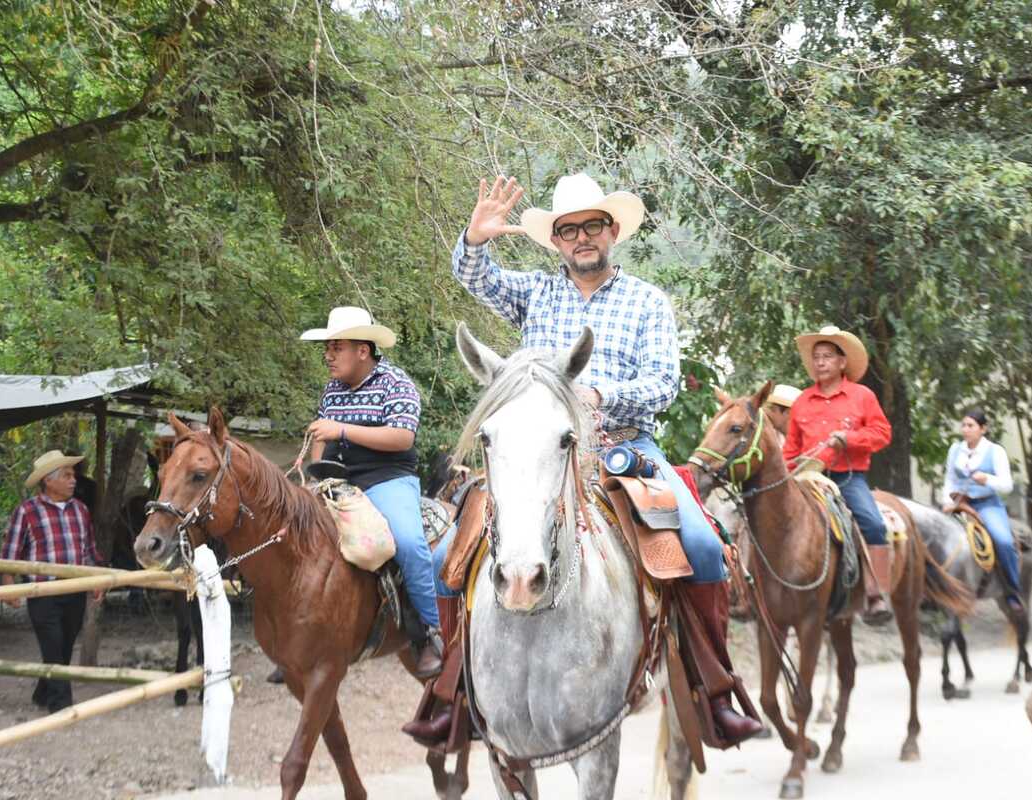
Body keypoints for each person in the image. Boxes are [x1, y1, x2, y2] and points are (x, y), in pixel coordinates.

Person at [403, 172, 763, 746]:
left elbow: (664, 383)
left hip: (625, 449)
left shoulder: (647, 301)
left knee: (699, 546)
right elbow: (476, 277)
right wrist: (474, 238)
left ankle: (713, 690)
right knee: (449, 555)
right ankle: (455, 693)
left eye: (592, 226)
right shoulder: (535, 294)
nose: (581, 238)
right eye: (568, 230)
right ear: (556, 241)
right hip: (537, 453)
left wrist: (599, 394)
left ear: (612, 231)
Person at [300, 306, 441, 678]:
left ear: (363, 350)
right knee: (294, 532)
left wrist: (342, 430)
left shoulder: (396, 383)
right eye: (327, 348)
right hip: (337, 479)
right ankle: (302, 633)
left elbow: (402, 437)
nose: (328, 355)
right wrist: (313, 476)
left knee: (408, 543)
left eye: (337, 347)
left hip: (387, 479)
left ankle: (429, 632)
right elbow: (321, 435)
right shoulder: (332, 389)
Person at [783, 326, 894, 625]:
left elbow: (882, 433)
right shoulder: (802, 401)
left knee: (872, 523)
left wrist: (850, 439)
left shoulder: (862, 396)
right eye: (817, 357)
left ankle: (875, 594)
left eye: (827, 356)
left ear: (842, 362)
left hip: (848, 477)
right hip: (807, 479)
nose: (820, 362)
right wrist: (787, 469)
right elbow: (790, 449)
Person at [1, 450, 103, 712]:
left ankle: (42, 692)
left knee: (64, 647)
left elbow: (89, 551)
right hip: (42, 592)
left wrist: (96, 579)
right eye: (67, 475)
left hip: (74, 590)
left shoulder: (80, 510)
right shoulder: (27, 511)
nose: (73, 480)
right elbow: (10, 552)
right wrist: (8, 585)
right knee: (53, 646)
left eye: (73, 475)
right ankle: (61, 705)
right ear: (48, 480)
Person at [940, 408, 1023, 612]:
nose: (965, 430)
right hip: (958, 503)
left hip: (986, 504)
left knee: (1003, 541)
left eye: (971, 426)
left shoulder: (995, 451)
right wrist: (946, 502)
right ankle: (933, 588)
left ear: (983, 429)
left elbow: (1007, 485)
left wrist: (987, 479)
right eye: (963, 425)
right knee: (931, 534)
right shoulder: (955, 449)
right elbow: (949, 479)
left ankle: (1012, 591)